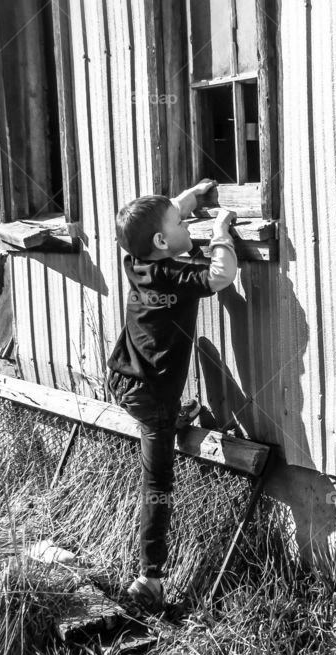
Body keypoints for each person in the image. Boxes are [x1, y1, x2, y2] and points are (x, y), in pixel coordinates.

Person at [106, 179, 237, 612]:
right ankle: (151, 579)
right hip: (152, 396)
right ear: (163, 240)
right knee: (158, 484)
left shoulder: (137, 260)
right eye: (181, 222)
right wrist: (220, 231)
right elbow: (220, 276)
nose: (186, 221)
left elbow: (167, 213)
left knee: (159, 424)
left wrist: (192, 195)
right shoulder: (173, 274)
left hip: (127, 379)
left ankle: (172, 419)